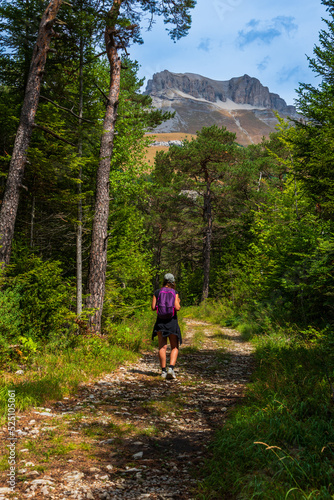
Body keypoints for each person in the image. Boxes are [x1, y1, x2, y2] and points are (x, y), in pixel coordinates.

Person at [151, 273, 181, 380]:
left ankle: (163, 371)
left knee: (162, 347)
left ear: (164, 281)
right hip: (172, 322)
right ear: (173, 282)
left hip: (160, 322)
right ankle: (171, 369)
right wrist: (178, 301)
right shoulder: (175, 292)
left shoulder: (157, 292)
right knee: (174, 346)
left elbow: (153, 307)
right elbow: (177, 308)